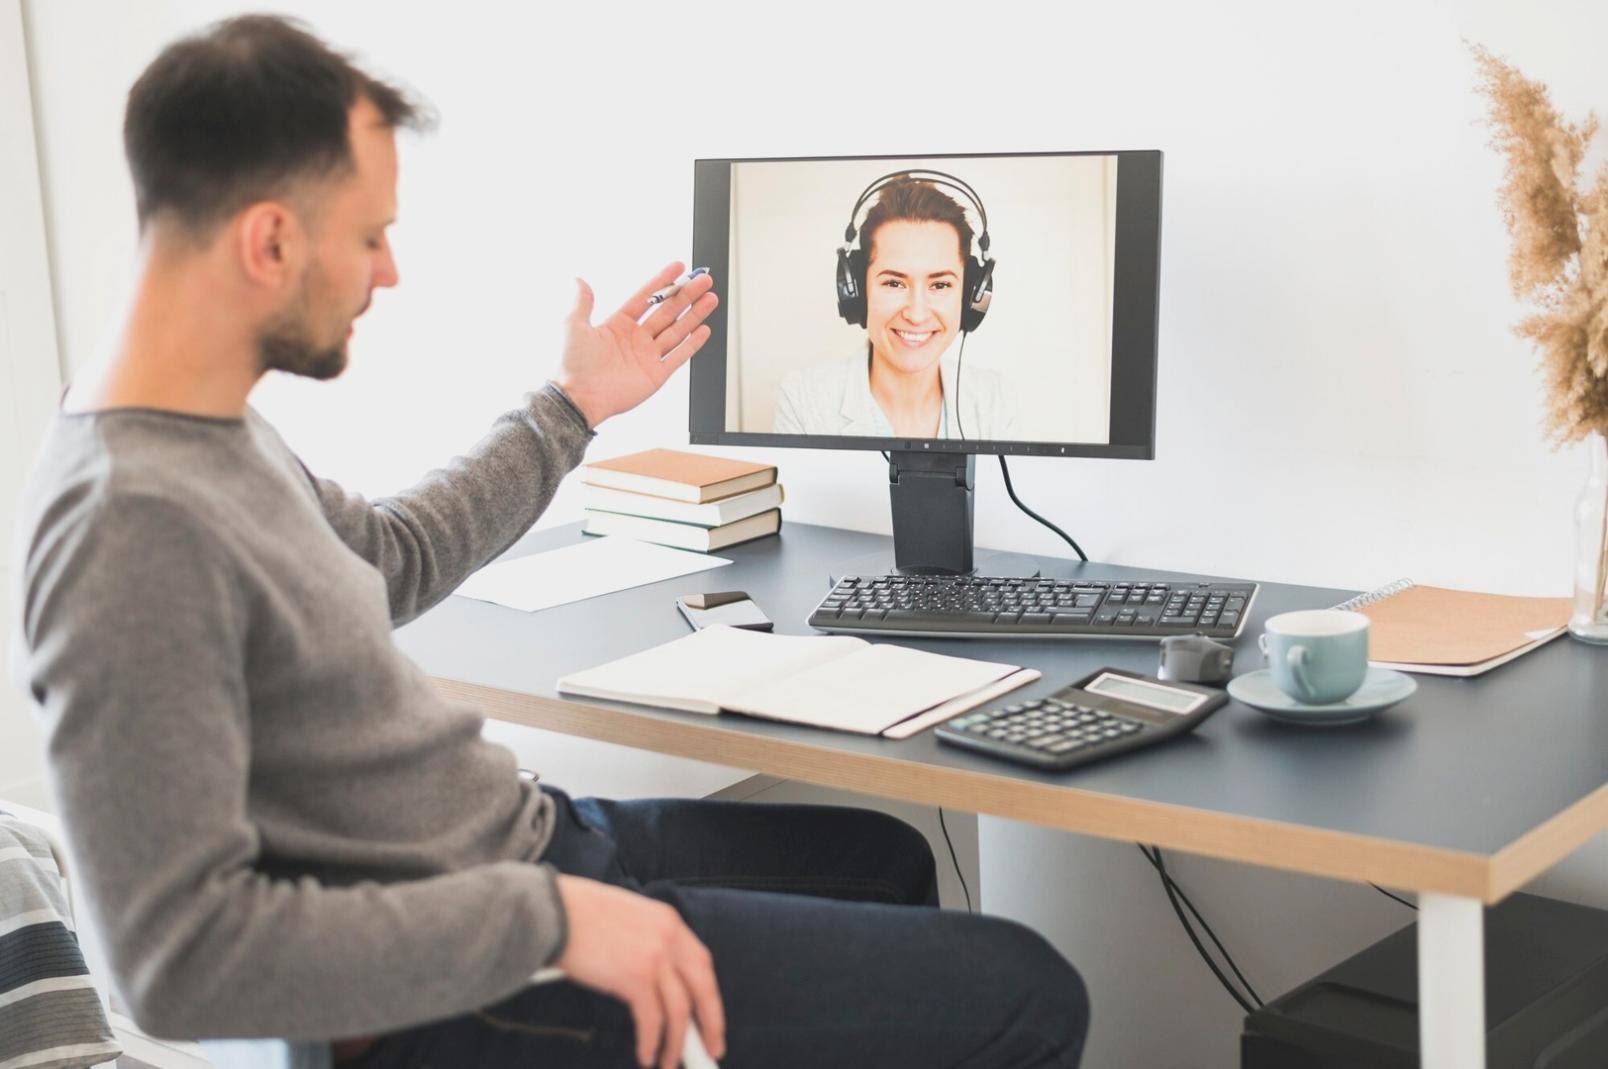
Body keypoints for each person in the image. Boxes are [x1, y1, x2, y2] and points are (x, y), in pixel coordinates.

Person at [9, 16, 1088, 1069]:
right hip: (467, 990)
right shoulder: (127, 526)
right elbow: (172, 963)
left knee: (887, 860)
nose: (387, 273)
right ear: (270, 240)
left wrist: (571, 406)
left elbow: (385, 559)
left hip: (518, 846)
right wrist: (550, 921)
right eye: (371, 236)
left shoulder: (206, 425)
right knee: (1031, 990)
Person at [775, 177, 1014, 439]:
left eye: (941, 285)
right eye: (894, 283)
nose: (916, 314)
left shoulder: (994, 400)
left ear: (970, 296)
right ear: (856, 292)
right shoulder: (804, 402)